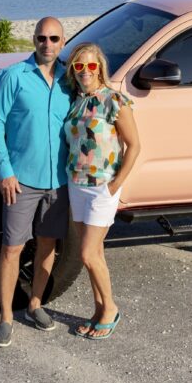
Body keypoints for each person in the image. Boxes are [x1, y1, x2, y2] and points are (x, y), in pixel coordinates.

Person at [0, 17, 72, 348]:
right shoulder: (13, 77)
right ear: (33, 40)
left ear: (62, 42)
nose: (47, 44)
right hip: (20, 181)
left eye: (53, 38)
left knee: (48, 245)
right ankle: (6, 317)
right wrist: (4, 170)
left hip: (58, 180)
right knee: (12, 248)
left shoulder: (70, 80)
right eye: (41, 38)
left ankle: (34, 305)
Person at [64, 42, 140, 340]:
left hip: (101, 188)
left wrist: (116, 183)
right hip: (76, 184)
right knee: (94, 253)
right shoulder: (75, 101)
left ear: (100, 68)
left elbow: (134, 145)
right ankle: (98, 310)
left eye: (91, 66)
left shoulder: (114, 101)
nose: (85, 71)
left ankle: (110, 309)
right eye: (79, 66)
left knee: (86, 254)